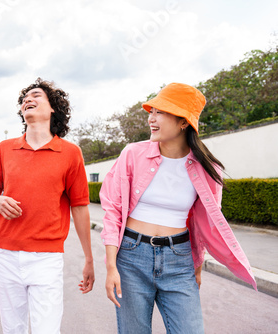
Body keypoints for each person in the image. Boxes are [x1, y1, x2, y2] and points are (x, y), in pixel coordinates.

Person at [100, 83, 257, 334]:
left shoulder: (208, 169)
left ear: (184, 122)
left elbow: (204, 225)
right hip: (131, 257)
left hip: (179, 259)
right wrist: (111, 267)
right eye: (151, 111)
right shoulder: (132, 154)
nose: (151, 118)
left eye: (160, 112)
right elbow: (113, 210)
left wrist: (196, 266)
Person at [0, 78, 95, 333]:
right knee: (13, 329)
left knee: (47, 329)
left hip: (47, 257)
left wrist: (89, 258)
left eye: (36, 95)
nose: (28, 100)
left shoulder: (70, 153)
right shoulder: (4, 148)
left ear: (53, 107)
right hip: (5, 254)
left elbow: (79, 206)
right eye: (25, 98)